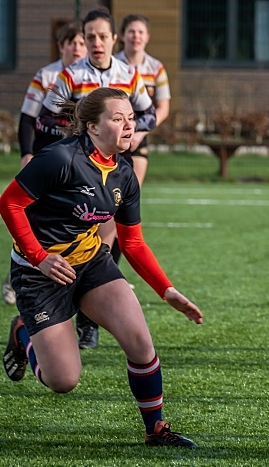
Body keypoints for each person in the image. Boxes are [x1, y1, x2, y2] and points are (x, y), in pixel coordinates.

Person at [0, 87, 202, 447]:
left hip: (91, 264)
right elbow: (9, 204)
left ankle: (154, 428)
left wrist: (166, 290)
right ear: (92, 127)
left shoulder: (124, 174)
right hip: (39, 273)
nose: (129, 126)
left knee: (140, 342)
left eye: (131, 118)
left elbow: (133, 242)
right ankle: (23, 333)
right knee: (62, 380)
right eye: (118, 118)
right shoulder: (61, 158)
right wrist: (40, 258)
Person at [36, 9, 157, 349]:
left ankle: (89, 320)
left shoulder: (129, 74)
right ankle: (57, 308)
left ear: (113, 39)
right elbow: (45, 120)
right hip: (75, 166)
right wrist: (76, 131)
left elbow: (148, 113)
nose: (97, 43)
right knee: (76, 240)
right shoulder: (70, 75)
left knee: (108, 241)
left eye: (103, 36)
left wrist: (137, 132)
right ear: (84, 39)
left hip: (115, 164)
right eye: (90, 37)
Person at [2, 22, 87, 307]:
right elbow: (28, 117)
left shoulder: (91, 76)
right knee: (35, 218)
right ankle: (17, 272)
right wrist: (27, 152)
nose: (77, 48)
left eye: (81, 43)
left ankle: (81, 274)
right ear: (61, 46)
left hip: (76, 161)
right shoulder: (47, 75)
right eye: (71, 42)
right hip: (46, 156)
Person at [115, 13, 171, 186]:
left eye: (140, 32)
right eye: (131, 31)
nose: (136, 36)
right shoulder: (112, 65)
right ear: (123, 35)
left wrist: (141, 132)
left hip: (139, 135)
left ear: (147, 37)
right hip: (113, 134)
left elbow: (163, 108)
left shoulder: (156, 68)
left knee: (133, 191)